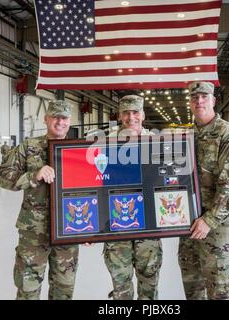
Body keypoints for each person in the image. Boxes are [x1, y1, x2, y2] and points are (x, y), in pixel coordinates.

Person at [0, 100, 79, 300]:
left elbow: (93, 188)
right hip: (34, 232)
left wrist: (90, 228)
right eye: (55, 117)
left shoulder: (78, 150)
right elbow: (1, 176)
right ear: (46, 118)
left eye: (64, 117)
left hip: (69, 230)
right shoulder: (29, 147)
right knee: (28, 289)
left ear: (70, 121)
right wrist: (34, 175)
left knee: (64, 289)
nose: (60, 122)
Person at [178, 81, 229, 300]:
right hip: (188, 226)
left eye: (204, 97)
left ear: (213, 101)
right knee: (193, 288)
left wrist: (209, 220)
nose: (199, 101)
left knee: (220, 291)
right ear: (189, 102)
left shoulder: (228, 134)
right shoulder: (186, 136)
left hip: (216, 229)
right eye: (194, 97)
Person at [103, 95, 162, 300]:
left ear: (143, 115)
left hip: (149, 225)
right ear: (120, 115)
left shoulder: (157, 142)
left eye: (135, 112)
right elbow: (95, 183)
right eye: (126, 113)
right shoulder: (106, 143)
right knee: (121, 284)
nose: (131, 117)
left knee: (149, 283)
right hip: (116, 224)